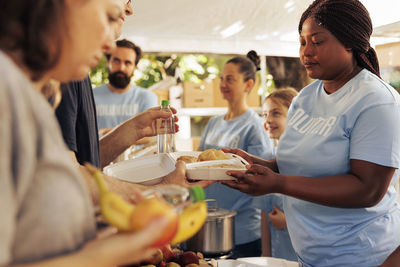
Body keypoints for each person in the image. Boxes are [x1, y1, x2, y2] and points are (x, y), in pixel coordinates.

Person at [221, 0, 400, 266]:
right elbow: (295, 166)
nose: (306, 52)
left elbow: (368, 189)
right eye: (303, 42)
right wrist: (250, 164)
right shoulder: (306, 98)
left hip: (363, 255)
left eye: (317, 41)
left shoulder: (376, 101)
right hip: (311, 255)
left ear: (349, 42)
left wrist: (277, 184)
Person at [0, 0, 174, 265]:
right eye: (108, 16)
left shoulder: (27, 96)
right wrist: (110, 253)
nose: (108, 44)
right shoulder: (8, 93)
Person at [198, 51, 274, 258]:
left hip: (242, 228)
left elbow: (259, 176)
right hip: (208, 222)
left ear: (248, 85)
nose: (223, 83)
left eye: (230, 79)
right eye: (222, 78)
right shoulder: (214, 122)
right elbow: (198, 164)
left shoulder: (254, 126)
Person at [255, 88, 298, 261]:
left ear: (295, 116)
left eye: (276, 113)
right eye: (264, 114)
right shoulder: (266, 159)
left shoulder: (307, 161)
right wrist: (266, 256)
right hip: (278, 254)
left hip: (303, 253)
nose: (268, 120)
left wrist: (288, 222)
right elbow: (265, 214)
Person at [94, 39, 158, 136]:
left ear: (134, 67)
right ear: (108, 62)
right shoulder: (90, 97)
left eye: (127, 63)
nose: (121, 68)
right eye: (116, 61)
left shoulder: (147, 97)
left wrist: (105, 133)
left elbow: (149, 135)